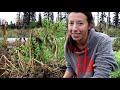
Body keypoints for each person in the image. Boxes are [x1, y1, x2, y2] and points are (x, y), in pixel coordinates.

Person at [63, 12, 119, 78]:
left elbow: (101, 75)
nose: (74, 28)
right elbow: (71, 68)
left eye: (80, 23)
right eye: (71, 23)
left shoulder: (102, 41)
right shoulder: (69, 44)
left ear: (89, 25)